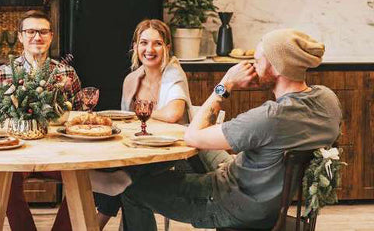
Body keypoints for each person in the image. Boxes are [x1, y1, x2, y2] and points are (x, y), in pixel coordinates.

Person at [121, 29, 342, 230]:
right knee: (194, 152)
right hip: (263, 192)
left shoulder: (270, 117)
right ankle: (143, 177)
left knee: (133, 191)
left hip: (231, 203)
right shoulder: (326, 99)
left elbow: (192, 136)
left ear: (276, 67)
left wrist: (225, 85)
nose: (252, 66)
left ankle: (130, 180)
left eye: (257, 60)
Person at [92, 19, 193, 229]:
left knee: (126, 180)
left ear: (166, 48)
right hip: (139, 152)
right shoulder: (132, 80)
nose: (149, 49)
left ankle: (93, 225)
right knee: (120, 173)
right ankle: (93, 223)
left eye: (157, 43)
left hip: (175, 154)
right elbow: (127, 125)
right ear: (135, 47)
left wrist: (144, 113)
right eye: (144, 43)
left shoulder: (173, 73)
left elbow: (174, 113)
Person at [0, 10, 81, 231]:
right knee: (4, 180)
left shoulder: (66, 72)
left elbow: (78, 116)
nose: (37, 37)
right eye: (30, 31)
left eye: (43, 31)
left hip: (59, 154)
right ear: (20, 36)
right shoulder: (2, 74)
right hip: (16, 152)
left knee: (87, 178)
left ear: (51, 36)